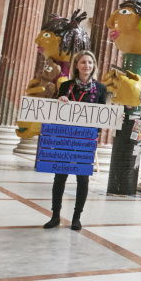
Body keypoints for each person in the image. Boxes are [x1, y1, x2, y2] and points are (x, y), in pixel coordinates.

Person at [44, 50, 107, 231]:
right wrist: (60, 100)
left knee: (83, 179)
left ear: (93, 66)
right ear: (76, 65)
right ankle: (55, 215)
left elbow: (101, 117)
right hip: (66, 137)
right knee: (60, 177)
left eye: (90, 62)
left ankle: (76, 217)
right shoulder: (66, 86)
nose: (87, 65)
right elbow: (57, 112)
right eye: (83, 62)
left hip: (85, 140)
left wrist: (94, 135)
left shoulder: (101, 89)